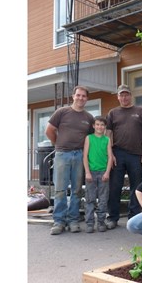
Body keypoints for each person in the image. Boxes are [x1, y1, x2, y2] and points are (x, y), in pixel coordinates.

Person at [45, 85, 95, 235]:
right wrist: (58, 145)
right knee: (60, 189)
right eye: (78, 95)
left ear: (87, 98)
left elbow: (91, 139)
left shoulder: (88, 118)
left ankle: (73, 220)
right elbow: (49, 130)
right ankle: (59, 221)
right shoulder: (62, 112)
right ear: (73, 96)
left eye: (83, 96)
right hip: (62, 155)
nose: (80, 98)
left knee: (77, 190)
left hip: (80, 156)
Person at [105, 84, 142, 229]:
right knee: (115, 186)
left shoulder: (140, 112)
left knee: (136, 187)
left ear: (130, 96)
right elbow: (108, 135)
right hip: (118, 153)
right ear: (118, 97)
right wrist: (110, 154)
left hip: (136, 154)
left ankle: (135, 217)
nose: (124, 97)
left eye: (126, 94)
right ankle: (112, 217)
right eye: (121, 95)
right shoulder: (112, 113)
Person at [82, 116, 113, 233]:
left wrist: (107, 172)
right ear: (93, 126)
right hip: (91, 173)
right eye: (98, 124)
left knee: (103, 199)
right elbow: (85, 156)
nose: (100, 127)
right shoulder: (89, 138)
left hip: (103, 172)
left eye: (102, 125)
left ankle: (101, 222)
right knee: (90, 199)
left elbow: (110, 157)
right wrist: (87, 172)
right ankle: (90, 223)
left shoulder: (107, 140)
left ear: (105, 127)